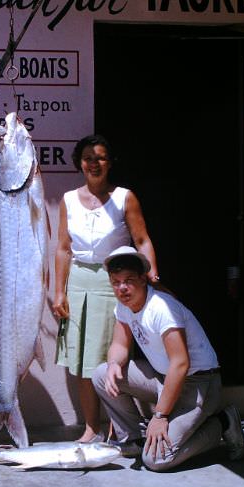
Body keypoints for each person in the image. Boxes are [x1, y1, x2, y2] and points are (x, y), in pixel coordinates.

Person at [92, 246, 244, 472]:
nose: (122, 288)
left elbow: (180, 363)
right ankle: (134, 440)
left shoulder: (162, 307)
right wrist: (114, 364)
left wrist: (160, 416)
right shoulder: (124, 306)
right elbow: (119, 344)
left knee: (157, 460)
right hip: (164, 378)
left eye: (129, 280)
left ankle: (223, 422)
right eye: (116, 282)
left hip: (198, 384)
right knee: (101, 374)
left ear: (144, 279)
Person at [52, 134, 160, 443]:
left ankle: (120, 427)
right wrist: (59, 291)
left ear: (110, 163)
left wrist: (150, 277)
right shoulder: (69, 200)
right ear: (79, 163)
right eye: (88, 158)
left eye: (100, 157)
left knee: (109, 357)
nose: (94, 163)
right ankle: (91, 427)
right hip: (78, 282)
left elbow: (142, 240)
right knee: (82, 360)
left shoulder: (125, 197)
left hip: (116, 282)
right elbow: (62, 248)